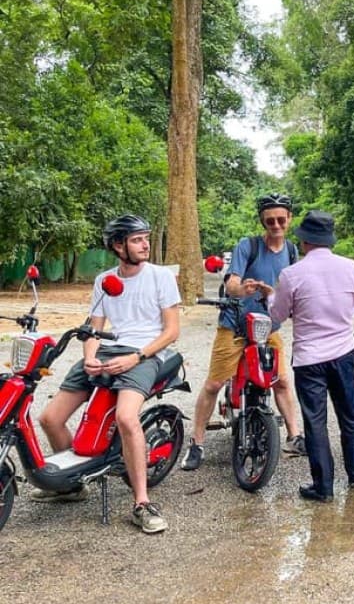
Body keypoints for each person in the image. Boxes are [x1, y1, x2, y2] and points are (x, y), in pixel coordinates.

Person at [36, 215, 180, 534]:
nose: (145, 244)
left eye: (146, 238)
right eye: (138, 239)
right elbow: (93, 328)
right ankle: (73, 484)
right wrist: (89, 358)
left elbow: (172, 332)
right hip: (106, 353)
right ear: (119, 246)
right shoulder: (105, 280)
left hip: (145, 354)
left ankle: (141, 502)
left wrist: (135, 357)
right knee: (49, 418)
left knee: (127, 418)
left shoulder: (161, 277)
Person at [182, 193, 306, 471]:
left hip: (268, 326)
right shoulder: (247, 246)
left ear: (289, 219)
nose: (276, 225)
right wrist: (242, 289)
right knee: (214, 383)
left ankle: (294, 434)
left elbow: (295, 288)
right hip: (235, 323)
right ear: (262, 220)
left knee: (282, 382)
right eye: (270, 220)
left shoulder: (292, 251)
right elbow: (232, 282)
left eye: (281, 219)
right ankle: (197, 443)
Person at [268, 210, 354, 501]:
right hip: (344, 352)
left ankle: (323, 487)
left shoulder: (291, 274)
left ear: (304, 241)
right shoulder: (352, 268)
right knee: (350, 415)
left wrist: (270, 297)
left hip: (309, 358)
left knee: (316, 422)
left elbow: (279, 315)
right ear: (330, 239)